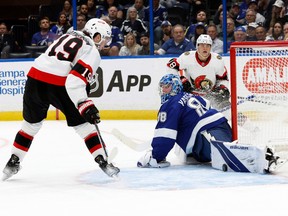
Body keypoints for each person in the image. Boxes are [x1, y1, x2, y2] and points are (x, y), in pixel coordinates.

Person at [2, 18, 120, 181]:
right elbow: (74, 81)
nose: (104, 42)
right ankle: (103, 162)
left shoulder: (67, 35)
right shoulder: (91, 50)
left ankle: (13, 162)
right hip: (60, 84)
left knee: (29, 126)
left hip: (35, 77)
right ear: (95, 34)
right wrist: (84, 104)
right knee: (85, 126)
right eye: (103, 38)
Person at [137, 74, 284, 174]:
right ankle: (262, 155)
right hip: (219, 125)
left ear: (175, 87)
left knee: (229, 154)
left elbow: (166, 134)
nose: (163, 90)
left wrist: (156, 157)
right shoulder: (190, 96)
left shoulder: (171, 104)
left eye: (166, 86)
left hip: (205, 134)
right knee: (228, 149)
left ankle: (264, 158)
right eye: (162, 86)